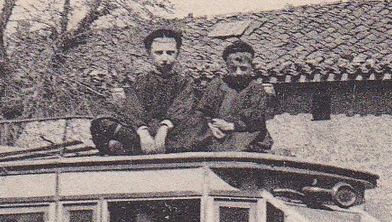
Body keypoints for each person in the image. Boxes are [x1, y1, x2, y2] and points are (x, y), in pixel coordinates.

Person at [91, 27, 204, 156]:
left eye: (170, 52)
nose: (165, 58)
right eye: (159, 53)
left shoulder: (184, 82)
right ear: (149, 53)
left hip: (171, 133)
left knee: (200, 123)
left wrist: (164, 128)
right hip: (141, 133)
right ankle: (148, 147)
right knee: (100, 123)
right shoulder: (141, 81)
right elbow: (133, 109)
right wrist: (143, 132)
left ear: (177, 54)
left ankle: (131, 149)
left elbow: (181, 108)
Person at [186, 41, 274, 152]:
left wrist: (231, 126)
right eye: (233, 68)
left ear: (251, 67)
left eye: (243, 68)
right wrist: (209, 125)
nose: (238, 73)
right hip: (217, 133)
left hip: (247, 135)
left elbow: (256, 119)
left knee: (238, 146)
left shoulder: (256, 88)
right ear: (227, 67)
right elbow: (202, 111)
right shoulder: (217, 84)